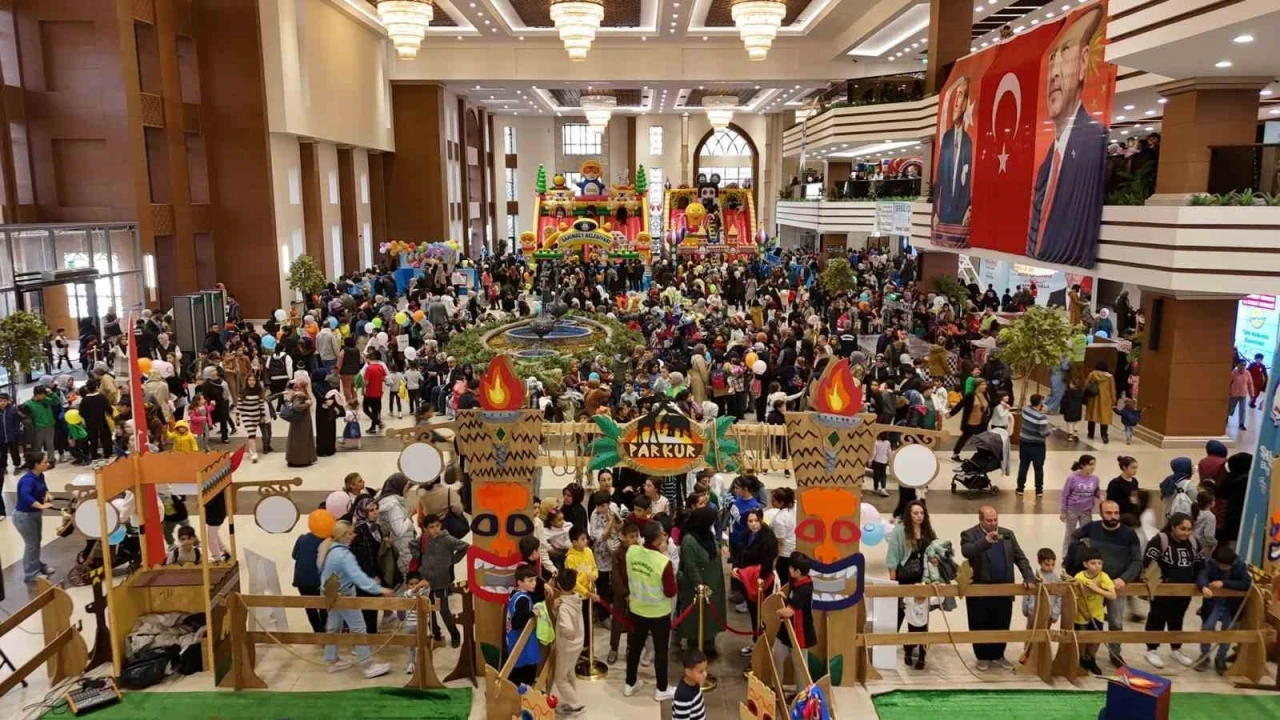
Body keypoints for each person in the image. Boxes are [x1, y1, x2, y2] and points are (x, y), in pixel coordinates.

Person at [1026, 6, 1107, 267]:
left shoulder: (1094, 141)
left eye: (1066, 53)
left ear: (1084, 62)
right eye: (1052, 60)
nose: (1054, 73)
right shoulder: (1046, 165)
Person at [1065, 500, 1142, 666]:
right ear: (1101, 514)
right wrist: (1079, 550)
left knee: (1116, 622)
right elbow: (1074, 535)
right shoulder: (1092, 528)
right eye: (1108, 513)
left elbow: (1137, 560)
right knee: (1086, 620)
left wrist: (1124, 578)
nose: (1113, 516)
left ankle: (1115, 654)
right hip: (1091, 586)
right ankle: (1083, 656)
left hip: (1115, 586)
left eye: (1116, 513)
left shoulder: (1129, 534)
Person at [960, 506, 1036, 670]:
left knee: (1002, 623)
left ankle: (998, 655)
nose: (993, 523)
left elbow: (1019, 557)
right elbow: (968, 551)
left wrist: (1028, 577)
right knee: (980, 624)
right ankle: (982, 657)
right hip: (980, 591)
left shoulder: (1007, 534)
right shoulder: (969, 534)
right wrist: (986, 541)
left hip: (1004, 589)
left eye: (995, 520)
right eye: (989, 520)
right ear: (980, 520)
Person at [317, 520, 394, 678]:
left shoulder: (328, 548)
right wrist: (379, 589)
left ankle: (332, 660)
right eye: (351, 533)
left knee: (333, 627)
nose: (354, 535)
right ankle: (367, 665)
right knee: (359, 628)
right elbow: (358, 577)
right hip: (343, 596)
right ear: (343, 535)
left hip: (329, 594)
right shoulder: (344, 555)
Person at [623, 522, 677, 702]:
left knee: (635, 647)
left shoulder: (631, 552)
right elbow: (670, 591)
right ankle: (661, 688)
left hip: (637, 609)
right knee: (661, 650)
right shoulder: (663, 562)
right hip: (659, 613)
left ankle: (630, 683)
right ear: (657, 539)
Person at [1141, 512, 1200, 669]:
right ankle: (1151, 649)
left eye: (1189, 529)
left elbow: (1200, 564)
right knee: (1157, 618)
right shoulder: (1159, 540)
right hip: (1162, 590)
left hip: (1184, 590)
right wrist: (1158, 583)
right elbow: (1148, 563)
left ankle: (1176, 649)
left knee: (1177, 618)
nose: (1186, 533)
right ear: (1173, 527)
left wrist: (1198, 582)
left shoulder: (1193, 542)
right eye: (1182, 529)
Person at [886, 500, 936, 669]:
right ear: (909, 514)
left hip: (923, 579)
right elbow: (892, 556)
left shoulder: (928, 531)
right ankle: (899, 647)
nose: (919, 516)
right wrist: (892, 580)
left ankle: (921, 653)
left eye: (921, 513)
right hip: (905, 578)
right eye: (915, 513)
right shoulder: (900, 531)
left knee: (921, 616)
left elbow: (935, 550)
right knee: (901, 612)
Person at [677, 505, 726, 658]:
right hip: (697, 586)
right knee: (696, 616)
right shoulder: (689, 541)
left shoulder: (707, 535)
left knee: (710, 615)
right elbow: (690, 566)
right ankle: (694, 646)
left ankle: (708, 641)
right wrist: (700, 587)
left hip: (712, 581)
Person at [1196, 546, 1252, 675]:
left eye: (1226, 566)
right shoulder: (1212, 564)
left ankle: (1220, 658)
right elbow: (1202, 575)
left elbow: (1246, 584)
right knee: (1207, 628)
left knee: (1228, 632)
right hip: (1214, 603)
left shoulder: (1240, 566)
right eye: (1221, 565)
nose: (1223, 568)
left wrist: (1224, 583)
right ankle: (1204, 656)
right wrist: (1203, 586)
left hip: (1231, 605)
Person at [415, 513, 468, 647]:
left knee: (444, 610)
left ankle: (454, 634)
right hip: (426, 581)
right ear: (426, 529)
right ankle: (436, 634)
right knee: (428, 610)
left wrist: (451, 560)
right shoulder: (423, 539)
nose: (435, 529)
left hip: (442, 581)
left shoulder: (447, 539)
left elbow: (465, 547)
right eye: (432, 527)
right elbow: (412, 545)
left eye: (437, 526)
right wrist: (420, 559)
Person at [933, 75, 973, 248]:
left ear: (965, 104)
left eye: (961, 96)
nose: (956, 102)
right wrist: (935, 211)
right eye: (955, 96)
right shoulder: (947, 139)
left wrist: (969, 208)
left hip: (959, 215)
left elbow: (970, 182)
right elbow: (939, 178)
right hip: (944, 213)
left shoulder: (968, 143)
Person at [733, 508, 777, 656]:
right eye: (750, 521)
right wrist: (737, 568)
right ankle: (756, 642)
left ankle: (764, 645)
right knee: (753, 613)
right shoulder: (747, 535)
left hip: (761, 582)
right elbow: (740, 554)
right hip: (748, 580)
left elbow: (768, 563)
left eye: (756, 521)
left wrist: (759, 578)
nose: (753, 524)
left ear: (761, 520)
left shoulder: (768, 538)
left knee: (761, 614)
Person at [771, 552, 816, 682]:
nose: (789, 568)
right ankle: (776, 688)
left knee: (800, 666)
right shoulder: (796, 581)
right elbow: (793, 601)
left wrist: (775, 612)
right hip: (787, 629)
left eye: (791, 567)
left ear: (798, 571)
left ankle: (802, 693)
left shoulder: (805, 588)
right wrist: (784, 598)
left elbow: (789, 612)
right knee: (777, 656)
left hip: (800, 633)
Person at [1073, 546, 1117, 675]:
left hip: (1097, 614)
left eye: (1099, 563)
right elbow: (1074, 597)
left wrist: (1096, 589)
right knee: (1082, 638)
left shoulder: (1103, 576)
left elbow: (1113, 595)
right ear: (1085, 564)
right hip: (1081, 614)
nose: (1097, 566)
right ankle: (1082, 658)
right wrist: (1083, 612)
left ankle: (1091, 658)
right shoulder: (1079, 577)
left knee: (1096, 638)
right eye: (1093, 563)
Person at [14, 451, 55, 582]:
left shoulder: (39, 475)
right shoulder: (27, 480)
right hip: (24, 517)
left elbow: (44, 488)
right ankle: (31, 574)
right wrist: (41, 506)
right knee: (31, 544)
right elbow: (26, 497)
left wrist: (47, 494)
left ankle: (36, 565)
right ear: (36, 465)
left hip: (34, 514)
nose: (48, 464)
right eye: (45, 462)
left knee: (36, 541)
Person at [551, 570, 586, 716]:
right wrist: (555, 608)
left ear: (559, 585)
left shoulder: (564, 606)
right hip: (578, 644)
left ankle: (576, 704)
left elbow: (566, 627)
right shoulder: (576, 597)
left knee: (560, 679)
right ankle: (572, 700)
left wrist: (567, 634)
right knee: (569, 673)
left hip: (567, 647)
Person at [1018, 549, 1061, 664]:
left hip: (1048, 612)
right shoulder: (1033, 577)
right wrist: (1025, 608)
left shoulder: (1056, 579)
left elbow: (1059, 597)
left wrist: (1055, 613)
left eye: (1053, 564)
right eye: (1047, 564)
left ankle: (1041, 656)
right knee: (1030, 633)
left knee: (1044, 633)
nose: (1050, 567)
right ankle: (1027, 653)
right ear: (1039, 562)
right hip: (1033, 611)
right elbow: (1027, 593)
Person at [506, 566, 541, 687]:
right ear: (520, 582)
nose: (534, 583)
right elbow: (517, 623)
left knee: (516, 666)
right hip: (521, 640)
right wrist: (532, 613)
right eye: (530, 581)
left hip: (513, 638)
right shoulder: (523, 600)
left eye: (535, 580)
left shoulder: (515, 593)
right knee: (525, 668)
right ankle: (525, 691)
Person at [1060, 454, 1101, 557]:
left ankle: (1086, 554)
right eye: (1090, 464)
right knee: (1070, 533)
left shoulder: (1095, 479)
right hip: (1072, 510)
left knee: (1087, 533)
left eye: (1094, 465)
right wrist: (1063, 511)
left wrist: (1100, 495)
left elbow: (1096, 492)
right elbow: (1065, 495)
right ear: (1082, 465)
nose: (1093, 467)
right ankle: (1066, 554)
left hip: (1087, 511)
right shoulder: (1072, 478)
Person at [291, 524, 327, 633]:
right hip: (317, 579)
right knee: (323, 606)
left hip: (301, 579)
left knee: (310, 608)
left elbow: (294, 555)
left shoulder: (301, 538)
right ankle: (324, 632)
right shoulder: (325, 541)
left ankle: (317, 631)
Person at [1016, 393, 1052, 497]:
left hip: (1024, 443)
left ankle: (1020, 488)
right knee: (1038, 468)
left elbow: (1029, 408)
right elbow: (1044, 433)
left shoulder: (1025, 410)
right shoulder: (1042, 417)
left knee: (1023, 465)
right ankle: (1039, 490)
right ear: (1040, 403)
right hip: (1037, 446)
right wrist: (1050, 429)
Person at [949, 378, 990, 461]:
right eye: (983, 384)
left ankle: (982, 455)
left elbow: (990, 404)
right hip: (970, 422)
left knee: (982, 439)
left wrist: (1001, 402)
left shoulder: (985, 395)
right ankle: (955, 454)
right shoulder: (970, 396)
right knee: (964, 438)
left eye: (985, 384)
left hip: (981, 422)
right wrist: (951, 413)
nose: (985, 386)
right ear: (977, 386)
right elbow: (960, 405)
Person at [284, 375, 317, 467]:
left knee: (296, 440)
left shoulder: (296, 394)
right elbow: (296, 407)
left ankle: (294, 459)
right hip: (302, 421)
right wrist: (307, 404)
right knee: (302, 440)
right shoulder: (300, 395)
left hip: (298, 421)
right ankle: (301, 460)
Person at [1084, 360, 1117, 443]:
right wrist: (1113, 400)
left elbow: (1086, 385)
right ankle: (1104, 435)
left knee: (1092, 416)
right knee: (1104, 417)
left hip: (1093, 399)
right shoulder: (1110, 377)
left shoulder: (1092, 374)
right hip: (1105, 400)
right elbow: (1112, 389)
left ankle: (1090, 433)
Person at [671, 650, 709, 720]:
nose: (705, 674)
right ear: (688, 672)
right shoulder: (683, 697)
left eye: (706, 669)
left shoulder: (695, 682)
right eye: (701, 671)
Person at [1105, 456, 1141, 524]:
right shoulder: (1115, 483)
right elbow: (1111, 502)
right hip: (1120, 514)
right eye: (1133, 468)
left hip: (1132, 513)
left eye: (1136, 468)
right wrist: (1129, 500)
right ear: (1124, 468)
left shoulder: (1134, 481)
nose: (1135, 470)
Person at [1227, 360, 1253, 430]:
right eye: (1241, 365)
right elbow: (1228, 383)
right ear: (1238, 365)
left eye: (1244, 365)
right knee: (1230, 408)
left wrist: (1252, 395)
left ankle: (1241, 424)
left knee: (1243, 409)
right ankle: (1225, 418)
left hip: (1243, 394)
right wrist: (1228, 392)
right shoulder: (1234, 372)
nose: (1243, 366)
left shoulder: (1247, 373)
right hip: (1234, 394)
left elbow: (1250, 384)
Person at [1060, 377, 1084, 441]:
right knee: (1076, 422)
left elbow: (1063, 401)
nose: (1069, 384)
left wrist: (1062, 409)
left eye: (1071, 383)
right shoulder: (1080, 393)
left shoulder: (1067, 393)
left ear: (1073, 385)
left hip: (1068, 410)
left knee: (1069, 422)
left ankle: (1070, 434)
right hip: (1077, 411)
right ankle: (1075, 434)